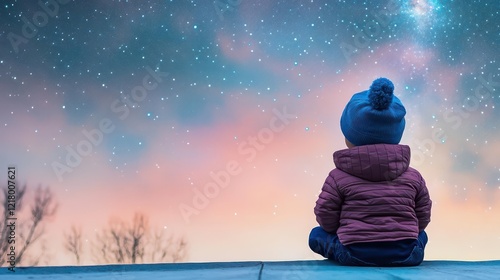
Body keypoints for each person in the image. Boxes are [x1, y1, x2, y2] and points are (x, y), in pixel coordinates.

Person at [308, 77, 432, 266]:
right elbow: (422, 216)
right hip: (406, 254)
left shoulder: (337, 177)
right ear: (396, 136)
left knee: (316, 235)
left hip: (354, 253)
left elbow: (326, 215)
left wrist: (343, 230)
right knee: (421, 235)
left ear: (349, 137)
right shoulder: (413, 176)